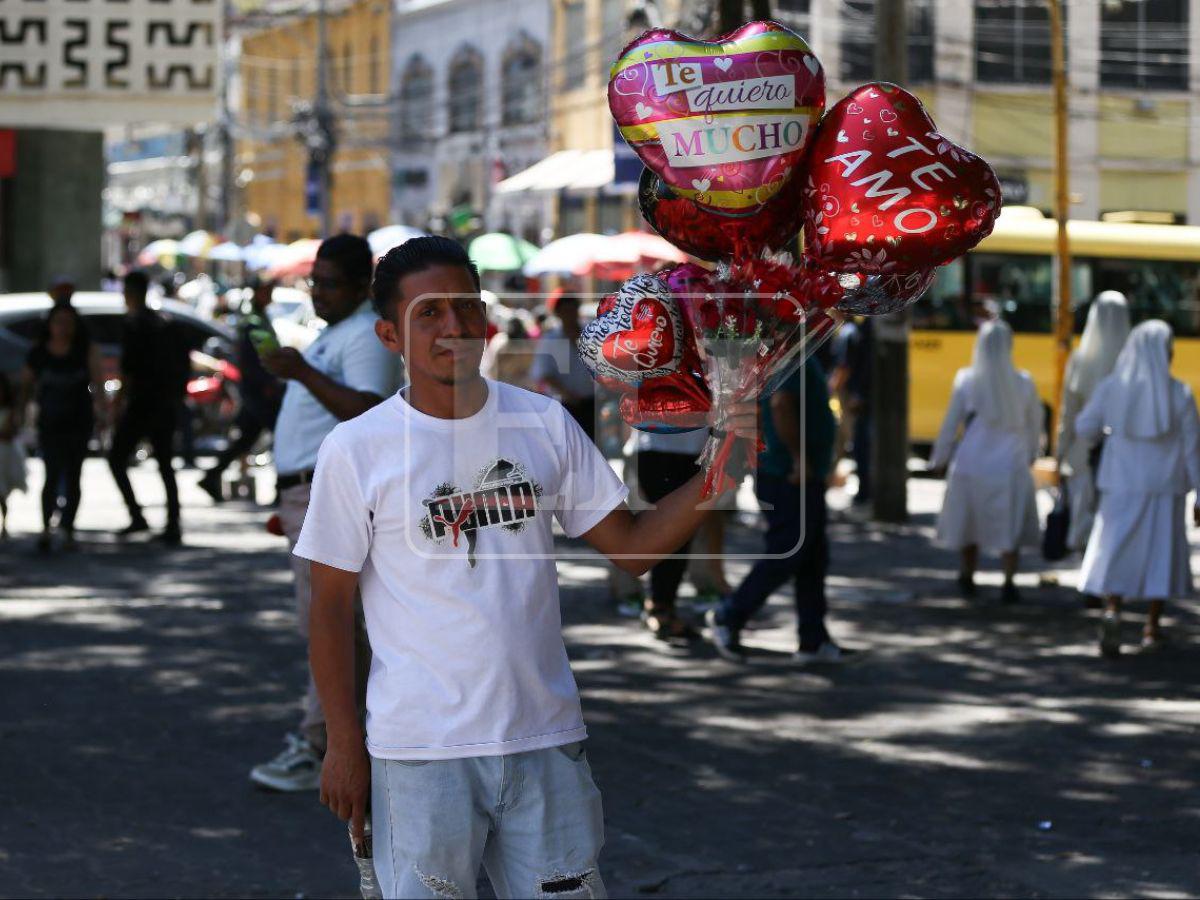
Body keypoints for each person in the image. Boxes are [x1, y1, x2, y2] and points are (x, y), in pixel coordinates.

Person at [296, 236, 756, 899]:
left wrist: (719, 469)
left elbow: (631, 546)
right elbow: (330, 608)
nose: (453, 326)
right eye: (429, 313)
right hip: (420, 753)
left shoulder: (543, 424)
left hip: (544, 743)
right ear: (390, 335)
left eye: (464, 306)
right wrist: (344, 745)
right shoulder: (357, 449)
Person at [248, 234, 401, 793]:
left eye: (330, 282)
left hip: (325, 493)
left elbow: (365, 411)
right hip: (306, 492)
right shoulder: (337, 332)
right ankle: (337, 738)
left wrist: (303, 373)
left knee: (328, 622)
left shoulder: (362, 333)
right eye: (315, 280)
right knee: (330, 620)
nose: (318, 292)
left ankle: (321, 742)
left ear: (362, 286)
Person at [707, 356, 844, 663]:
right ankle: (729, 615)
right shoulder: (793, 352)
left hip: (797, 472)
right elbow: (781, 404)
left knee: (812, 555)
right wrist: (800, 458)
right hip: (789, 473)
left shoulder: (803, 348)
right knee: (788, 551)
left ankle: (814, 639)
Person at [1075, 320, 1200, 657]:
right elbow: (1193, 449)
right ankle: (1152, 626)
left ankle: (1113, 610)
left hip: (1120, 484)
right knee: (1162, 553)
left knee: (1117, 547)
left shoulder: (1112, 387)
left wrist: (1105, 437)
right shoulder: (1180, 393)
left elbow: (1084, 426)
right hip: (1165, 488)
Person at [929, 320, 1043, 603]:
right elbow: (1034, 426)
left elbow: (950, 424)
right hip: (1011, 463)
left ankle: (968, 573)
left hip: (972, 462)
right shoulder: (1024, 382)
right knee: (1010, 524)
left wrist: (939, 457)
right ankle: (1008, 579)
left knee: (971, 523)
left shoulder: (966, 380)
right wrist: (1030, 455)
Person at [107, 270, 191, 544]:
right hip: (165, 403)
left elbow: (128, 370)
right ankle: (172, 522)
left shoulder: (136, 325)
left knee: (117, 458)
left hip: (143, 402)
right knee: (165, 464)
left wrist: (118, 402)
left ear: (130, 294)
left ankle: (138, 515)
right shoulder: (166, 323)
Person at [20, 304, 103, 551]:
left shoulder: (85, 350)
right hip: (50, 422)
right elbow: (25, 386)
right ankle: (46, 527)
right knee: (51, 474)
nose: (63, 328)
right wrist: (18, 414)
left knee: (74, 474)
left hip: (78, 421)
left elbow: (97, 384)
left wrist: (104, 413)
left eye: (68, 322)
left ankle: (68, 528)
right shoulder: (39, 353)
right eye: (59, 322)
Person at [1056, 291, 1130, 552]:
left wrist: (1059, 454)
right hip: (1124, 454)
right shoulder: (1134, 362)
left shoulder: (1079, 359)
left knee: (1084, 521)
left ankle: (1089, 586)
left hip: (1082, 453)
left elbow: (1068, 413)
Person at [199, 277, 284, 502]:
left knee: (245, 440)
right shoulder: (253, 322)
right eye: (266, 291)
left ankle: (211, 476)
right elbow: (253, 361)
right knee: (281, 435)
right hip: (259, 392)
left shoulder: (259, 318)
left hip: (259, 390)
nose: (270, 296)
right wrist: (268, 384)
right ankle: (282, 487)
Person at [632, 428, 708, 642]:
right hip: (655, 450)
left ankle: (662, 605)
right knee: (668, 533)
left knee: (681, 535)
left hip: (693, 451)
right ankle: (659, 607)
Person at [529, 293, 597, 439]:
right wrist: (567, 393)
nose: (569, 315)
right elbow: (543, 372)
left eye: (572, 310)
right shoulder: (551, 339)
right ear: (558, 313)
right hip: (563, 404)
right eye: (566, 311)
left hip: (592, 402)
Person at [0, 374, 27, 539]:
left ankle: (4, 523)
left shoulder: (9, 412)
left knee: (2, 493)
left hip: (4, 456)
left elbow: (10, 432)